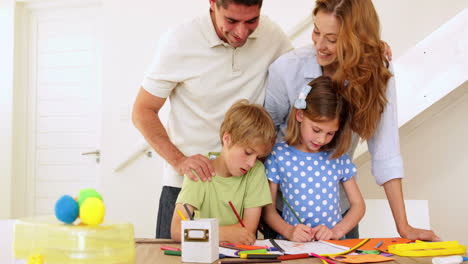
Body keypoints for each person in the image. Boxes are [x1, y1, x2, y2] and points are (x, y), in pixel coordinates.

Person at [264, 0, 440, 241]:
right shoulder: (286, 69)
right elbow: (265, 141)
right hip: (287, 220)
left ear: (356, 39)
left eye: (333, 39)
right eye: (317, 32)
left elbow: (385, 151)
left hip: (340, 218)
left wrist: (404, 226)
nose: (320, 45)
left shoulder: (377, 70)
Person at [132, 0, 292, 238]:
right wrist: (179, 160)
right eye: (231, 21)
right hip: (186, 184)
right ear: (213, 4)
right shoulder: (180, 40)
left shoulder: (272, 35)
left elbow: (296, 80)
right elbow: (143, 110)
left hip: (244, 190)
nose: (241, 33)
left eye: (251, 21)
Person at [262, 76, 365, 241]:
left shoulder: (337, 157)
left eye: (330, 133)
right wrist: (289, 231)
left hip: (331, 248)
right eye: (316, 130)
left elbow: (358, 206)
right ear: (300, 115)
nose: (321, 139)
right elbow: (268, 210)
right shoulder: (278, 155)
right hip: (293, 248)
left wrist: (336, 232)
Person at [170, 100, 275, 244]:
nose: (251, 163)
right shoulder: (199, 170)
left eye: (257, 157)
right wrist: (224, 233)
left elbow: (247, 231)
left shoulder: (256, 171)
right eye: (248, 152)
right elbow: (176, 230)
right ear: (227, 139)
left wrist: (203, 232)